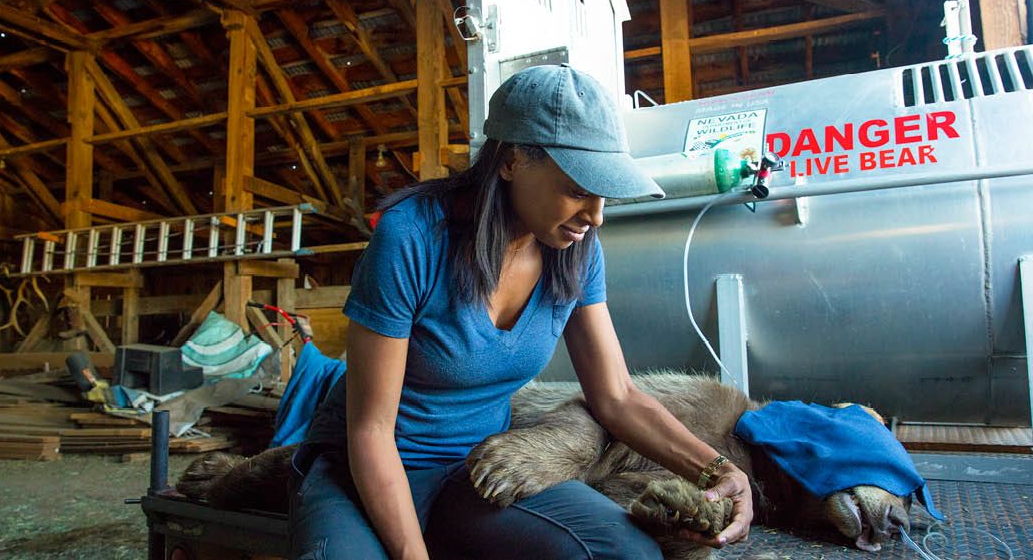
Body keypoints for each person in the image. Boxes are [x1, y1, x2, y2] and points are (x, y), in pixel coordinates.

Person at [288, 64, 753, 560]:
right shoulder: (412, 237)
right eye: (577, 190)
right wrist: (412, 554)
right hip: (365, 470)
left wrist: (717, 469)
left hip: (472, 469)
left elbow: (616, 396)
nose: (594, 216)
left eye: (603, 196)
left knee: (626, 553)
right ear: (511, 161)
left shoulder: (577, 249)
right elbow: (371, 431)